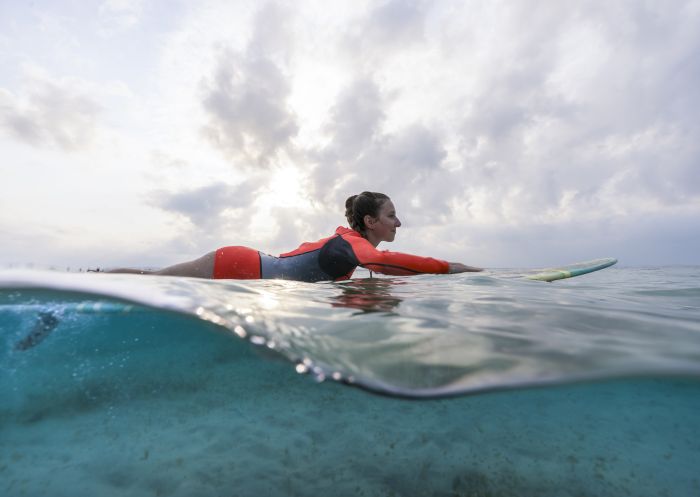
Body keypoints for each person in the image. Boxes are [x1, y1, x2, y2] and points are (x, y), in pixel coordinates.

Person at [107, 191, 482, 281]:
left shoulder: (347, 246)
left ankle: (91, 276)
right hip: (242, 264)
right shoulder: (353, 245)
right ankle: (90, 278)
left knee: (152, 282)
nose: (398, 223)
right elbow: (380, 263)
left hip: (246, 265)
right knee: (153, 282)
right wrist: (452, 268)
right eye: (392, 216)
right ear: (370, 221)